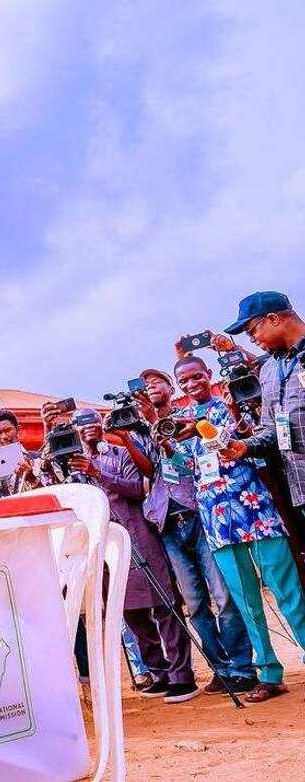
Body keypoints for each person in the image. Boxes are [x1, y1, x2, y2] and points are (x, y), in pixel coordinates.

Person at [172, 353, 305, 702]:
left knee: (287, 592)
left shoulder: (231, 404)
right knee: (246, 602)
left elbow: (238, 442)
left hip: (254, 510)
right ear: (179, 387)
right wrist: (168, 444)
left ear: (208, 375)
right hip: (216, 519)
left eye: (195, 377)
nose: (191, 384)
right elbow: (187, 468)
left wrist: (201, 426)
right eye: (184, 381)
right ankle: (270, 674)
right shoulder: (180, 423)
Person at [66, 408, 198, 703]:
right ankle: (158, 672)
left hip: (139, 534)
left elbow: (138, 489)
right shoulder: (71, 467)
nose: (87, 427)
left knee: (164, 604)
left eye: (91, 421)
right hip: (104, 544)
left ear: (101, 424)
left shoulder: (119, 452)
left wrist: (97, 472)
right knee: (130, 611)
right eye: (80, 424)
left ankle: (182, 677)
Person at [140, 367, 256, 694]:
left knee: (223, 595)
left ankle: (241, 667)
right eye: (145, 387)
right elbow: (155, 472)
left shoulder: (190, 415)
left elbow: (198, 463)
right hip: (166, 522)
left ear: (169, 388)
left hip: (200, 513)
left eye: (156, 384)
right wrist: (156, 439)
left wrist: (176, 437)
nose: (151, 390)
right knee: (195, 603)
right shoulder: (140, 426)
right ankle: (221, 670)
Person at [225, 291, 305, 549]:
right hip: (300, 486)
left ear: (273, 318)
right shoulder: (268, 369)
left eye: (252, 331)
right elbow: (272, 428)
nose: (253, 340)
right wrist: (246, 446)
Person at [0, 408, 36, 496]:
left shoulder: (38, 459)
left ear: (18, 429)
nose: (4, 436)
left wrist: (31, 478)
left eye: (7, 430)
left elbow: (53, 492)